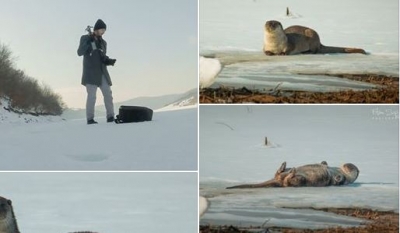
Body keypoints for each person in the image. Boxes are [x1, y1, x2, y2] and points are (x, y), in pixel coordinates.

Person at [77, 19, 117, 124]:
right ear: (96, 29)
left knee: (108, 94)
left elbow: (102, 57)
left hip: (102, 72)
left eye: (104, 30)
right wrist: (89, 43)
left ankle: (110, 116)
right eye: (101, 29)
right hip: (90, 72)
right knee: (92, 96)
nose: (103, 32)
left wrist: (108, 60)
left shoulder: (103, 43)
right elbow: (80, 52)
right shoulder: (85, 38)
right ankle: (90, 119)